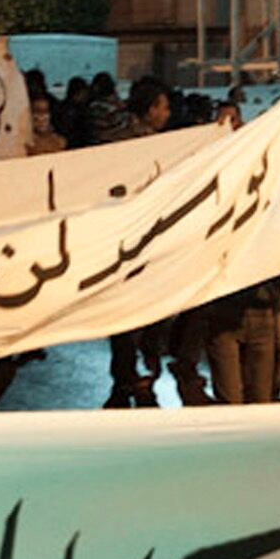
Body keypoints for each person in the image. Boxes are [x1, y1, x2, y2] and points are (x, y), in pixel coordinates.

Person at [102, 79, 179, 408]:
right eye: (163, 106)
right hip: (142, 245)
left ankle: (125, 377)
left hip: (122, 245)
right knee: (147, 317)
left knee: (123, 319)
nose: (167, 113)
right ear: (150, 110)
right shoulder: (148, 148)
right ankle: (141, 378)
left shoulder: (113, 141)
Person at [207, 208, 280, 404]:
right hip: (224, 313)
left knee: (260, 398)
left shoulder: (273, 211)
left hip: (261, 313)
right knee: (230, 401)